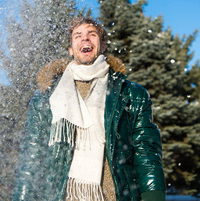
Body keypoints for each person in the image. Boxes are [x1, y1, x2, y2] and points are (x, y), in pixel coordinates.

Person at [13, 17, 166, 201]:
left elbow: (146, 151)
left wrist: (153, 197)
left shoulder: (131, 94)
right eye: (78, 36)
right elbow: (32, 154)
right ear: (71, 49)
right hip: (64, 196)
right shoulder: (46, 99)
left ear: (102, 46)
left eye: (91, 34)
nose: (85, 39)